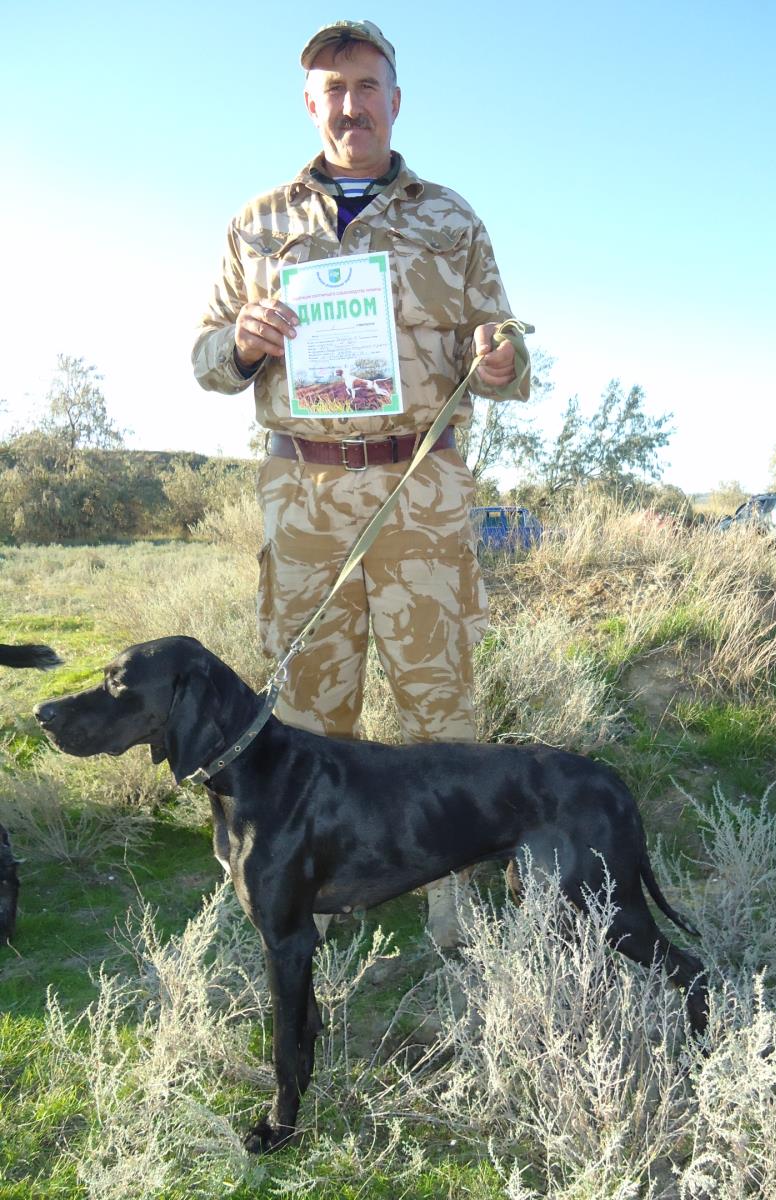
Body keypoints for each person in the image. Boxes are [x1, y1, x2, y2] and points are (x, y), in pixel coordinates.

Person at [192, 19, 530, 945]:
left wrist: (500, 358)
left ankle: (451, 898)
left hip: (420, 488)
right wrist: (241, 343)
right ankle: (313, 889)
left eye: (367, 85)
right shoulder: (258, 223)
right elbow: (205, 356)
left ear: (396, 99)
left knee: (439, 697)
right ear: (311, 105)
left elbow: (504, 339)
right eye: (333, 90)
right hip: (304, 495)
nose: (352, 104)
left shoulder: (451, 218)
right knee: (306, 707)